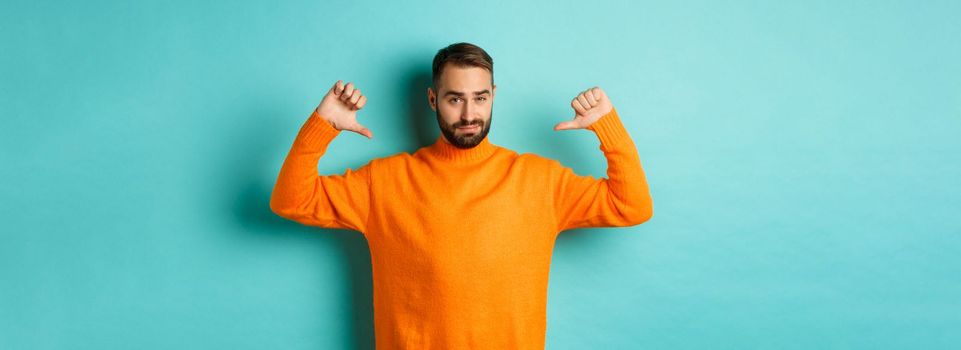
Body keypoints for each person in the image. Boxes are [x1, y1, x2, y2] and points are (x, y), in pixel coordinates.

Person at [270, 42, 653, 349]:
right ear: (433, 99)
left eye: (480, 98)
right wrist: (321, 127)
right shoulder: (383, 181)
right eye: (455, 99)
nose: (469, 113)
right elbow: (290, 200)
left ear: (493, 96)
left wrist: (608, 129)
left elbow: (632, 205)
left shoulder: (540, 181)